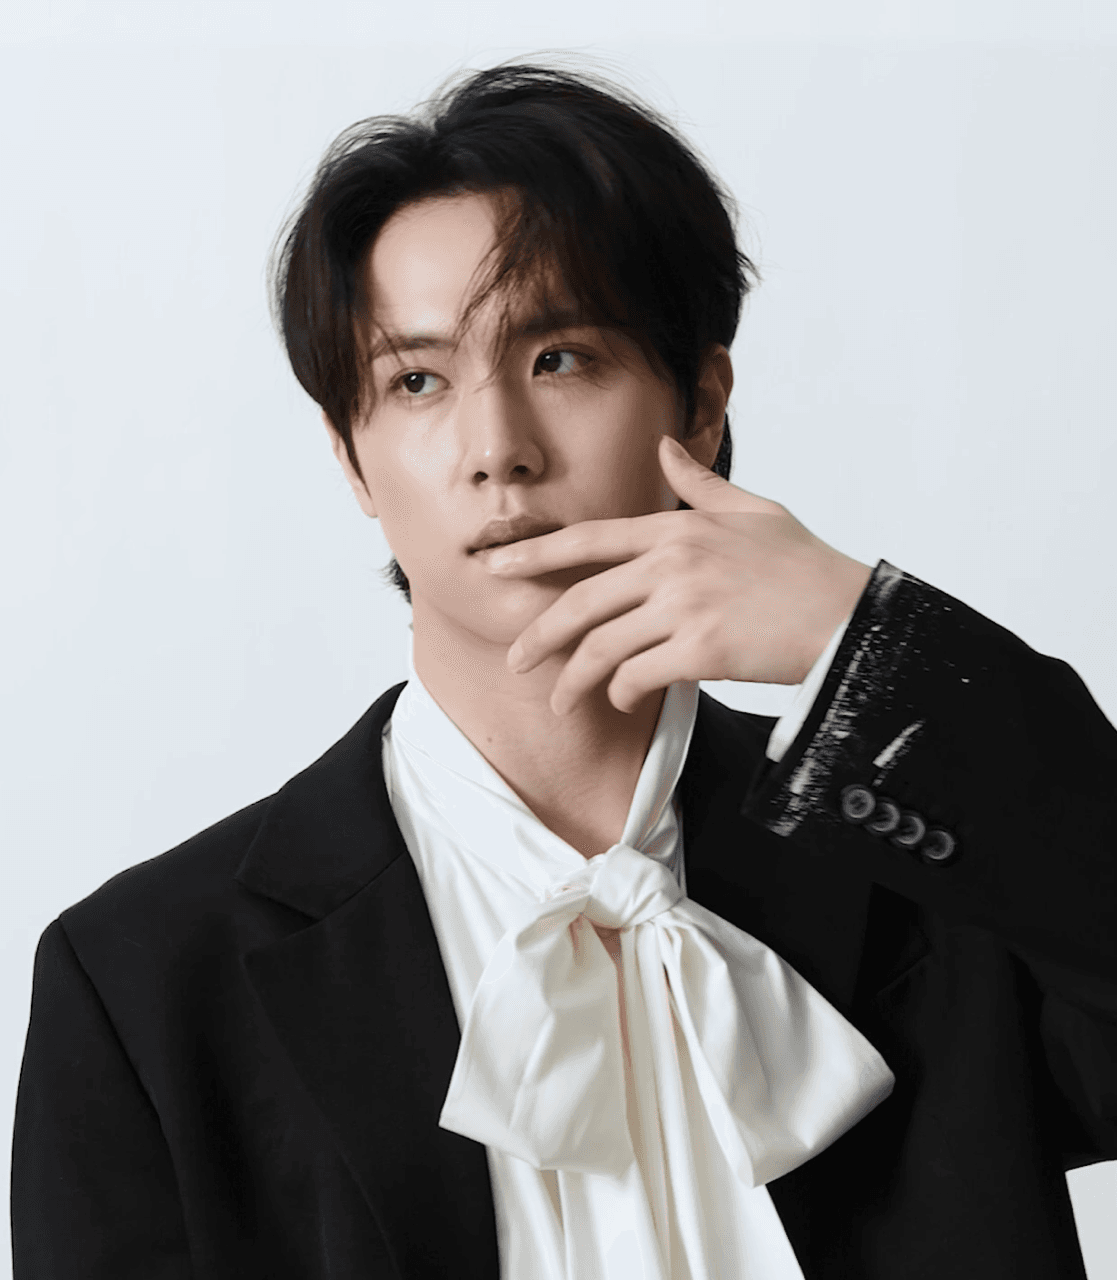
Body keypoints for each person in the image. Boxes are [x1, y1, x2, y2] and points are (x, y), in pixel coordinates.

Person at [10, 59, 1116, 1280]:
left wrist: (870, 641)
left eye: (562, 359)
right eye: (417, 381)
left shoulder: (926, 875)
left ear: (700, 404)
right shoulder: (144, 983)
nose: (498, 449)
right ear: (351, 456)